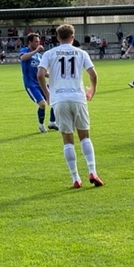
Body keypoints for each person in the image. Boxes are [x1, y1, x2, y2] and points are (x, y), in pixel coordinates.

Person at [38, 24, 104, 188]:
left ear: (57, 38)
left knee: (67, 139)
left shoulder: (49, 53)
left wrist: (47, 94)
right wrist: (92, 90)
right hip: (78, 97)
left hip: (59, 99)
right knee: (85, 136)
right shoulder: (81, 53)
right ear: (73, 37)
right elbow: (93, 74)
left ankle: (75, 177)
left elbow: (40, 74)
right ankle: (92, 171)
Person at [19, 33, 58, 133]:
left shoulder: (39, 56)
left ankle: (52, 122)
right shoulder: (25, 51)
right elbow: (22, 58)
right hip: (31, 85)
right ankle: (41, 125)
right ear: (30, 42)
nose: (38, 43)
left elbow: (42, 72)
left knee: (55, 99)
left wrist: (52, 76)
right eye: (36, 42)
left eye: (38, 41)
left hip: (41, 84)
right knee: (42, 104)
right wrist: (36, 50)